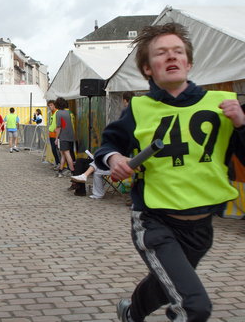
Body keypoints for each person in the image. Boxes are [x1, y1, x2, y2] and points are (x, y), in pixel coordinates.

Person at [94, 23, 245, 322]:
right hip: (155, 222)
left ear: (188, 63)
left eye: (178, 52)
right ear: (148, 68)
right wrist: (114, 159)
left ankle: (130, 313)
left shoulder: (222, 105)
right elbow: (108, 144)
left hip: (201, 227)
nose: (171, 57)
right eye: (161, 53)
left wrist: (241, 124)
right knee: (194, 306)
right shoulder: (139, 108)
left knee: (166, 286)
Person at [54, 97, 75, 177]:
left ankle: (73, 171)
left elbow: (59, 127)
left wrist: (56, 138)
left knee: (66, 153)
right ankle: (60, 171)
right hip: (70, 136)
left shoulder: (58, 113)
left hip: (63, 136)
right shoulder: (68, 112)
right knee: (63, 154)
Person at [47, 100, 60, 170]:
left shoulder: (57, 112)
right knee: (53, 150)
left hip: (55, 135)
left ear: (55, 105)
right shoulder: (52, 113)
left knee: (56, 150)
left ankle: (59, 164)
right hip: (51, 134)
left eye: (51, 105)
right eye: (49, 105)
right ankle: (57, 162)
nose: (50, 107)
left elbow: (58, 124)